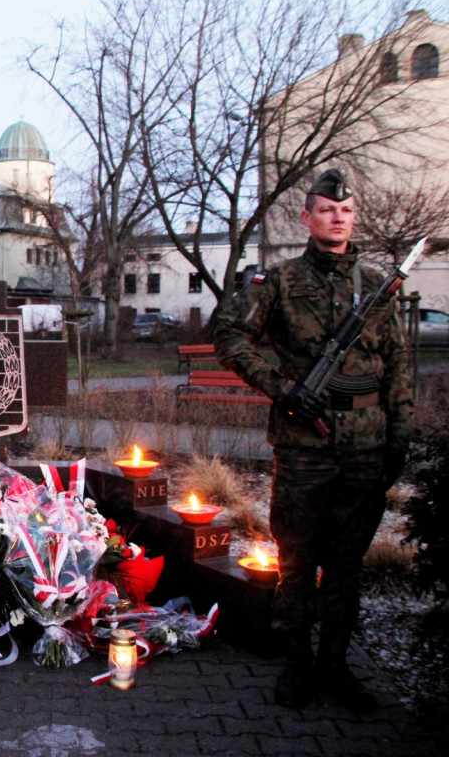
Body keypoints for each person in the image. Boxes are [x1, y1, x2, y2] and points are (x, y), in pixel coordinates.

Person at [214, 169, 414, 712]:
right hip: (305, 445)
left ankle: (336, 665)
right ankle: (297, 662)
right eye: (327, 209)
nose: (338, 217)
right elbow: (230, 337)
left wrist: (401, 434)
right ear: (307, 218)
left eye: (346, 211)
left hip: (366, 446)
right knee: (298, 561)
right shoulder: (277, 282)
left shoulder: (376, 286)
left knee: (347, 565)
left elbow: (396, 362)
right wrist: (285, 390)